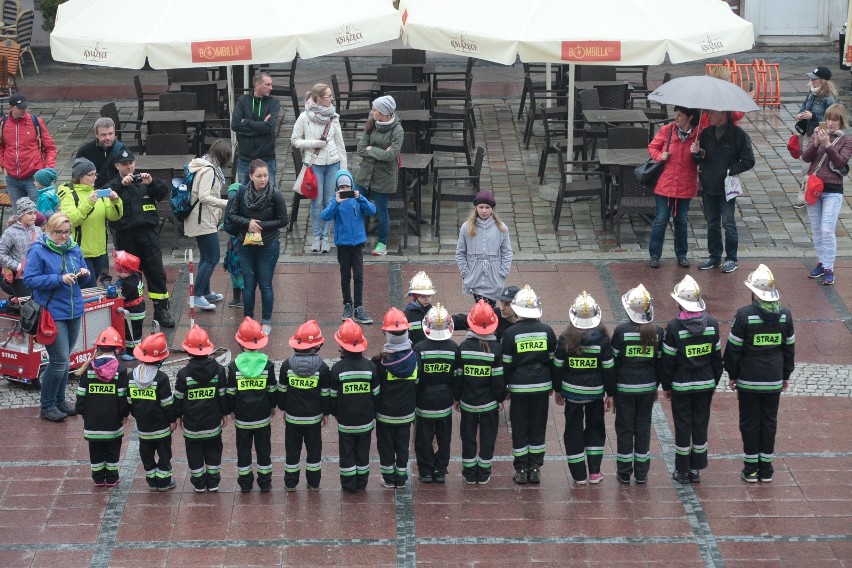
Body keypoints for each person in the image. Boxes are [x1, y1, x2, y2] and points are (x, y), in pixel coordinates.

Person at [724, 264, 795, 483]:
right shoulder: (785, 314)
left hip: (749, 380)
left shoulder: (745, 315)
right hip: (773, 379)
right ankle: (766, 468)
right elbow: (789, 348)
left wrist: (732, 374)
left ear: (754, 292)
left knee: (749, 422)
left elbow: (733, 349)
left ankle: (751, 469)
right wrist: (785, 375)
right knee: (769, 421)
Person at [24, 213, 90, 422]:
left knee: (65, 359)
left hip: (74, 310)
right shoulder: (38, 250)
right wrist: (58, 279)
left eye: (67, 232)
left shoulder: (74, 248)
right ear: (49, 231)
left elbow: (84, 271)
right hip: (52, 312)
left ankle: (60, 401)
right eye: (59, 232)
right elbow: (30, 280)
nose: (64, 236)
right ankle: (47, 405)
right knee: (59, 360)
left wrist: (84, 272)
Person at [660, 275, 723, 484]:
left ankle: (682, 470)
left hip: (681, 385)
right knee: (700, 424)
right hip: (705, 384)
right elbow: (716, 359)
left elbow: (668, 361)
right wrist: (713, 382)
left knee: (682, 426)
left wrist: (667, 386)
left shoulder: (673, 328)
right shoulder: (712, 324)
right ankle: (696, 468)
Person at [553, 292, 615, 485]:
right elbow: (608, 369)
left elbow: (557, 367)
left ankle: (579, 475)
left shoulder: (565, 339)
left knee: (572, 431)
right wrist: (610, 393)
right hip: (595, 394)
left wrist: (557, 389)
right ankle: (595, 472)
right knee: (595, 430)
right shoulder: (603, 340)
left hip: (571, 394)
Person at [108, 148, 175, 327]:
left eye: (131, 163)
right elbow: (106, 200)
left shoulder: (144, 181)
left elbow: (163, 193)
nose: (128, 167)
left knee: (156, 272)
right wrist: (122, 186)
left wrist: (152, 182)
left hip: (148, 235)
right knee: (130, 277)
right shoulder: (113, 185)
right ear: (117, 166)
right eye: (124, 164)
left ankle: (161, 309)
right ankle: (133, 310)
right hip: (126, 236)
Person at [225, 159, 288, 336]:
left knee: (265, 284)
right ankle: (248, 320)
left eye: (266, 175)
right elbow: (231, 215)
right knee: (249, 284)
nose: (263, 179)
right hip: (246, 243)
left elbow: (283, 220)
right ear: (251, 176)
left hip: (268, 244)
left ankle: (266, 321)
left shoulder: (275, 195)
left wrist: (261, 225)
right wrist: (248, 223)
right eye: (259, 176)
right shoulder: (242, 192)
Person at [501, 285, 556, 485]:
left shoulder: (510, 334)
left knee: (519, 427)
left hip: (519, 387)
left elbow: (505, 365)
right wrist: (553, 385)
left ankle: (521, 468)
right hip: (541, 386)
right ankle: (535, 468)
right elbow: (552, 361)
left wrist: (503, 389)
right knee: (537, 426)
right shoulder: (547, 331)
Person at [691, 110, 755, 274]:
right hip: (709, 184)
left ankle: (731, 258)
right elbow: (699, 159)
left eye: (713, 113)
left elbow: (749, 160)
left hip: (727, 186)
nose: (709, 116)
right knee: (712, 223)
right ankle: (714, 256)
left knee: (728, 222)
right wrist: (696, 153)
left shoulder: (738, 134)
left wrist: (730, 170)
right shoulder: (706, 133)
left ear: (723, 115)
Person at [611, 284, 663, 485]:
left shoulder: (621, 331)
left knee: (624, 429)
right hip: (647, 386)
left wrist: (612, 390)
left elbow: (613, 362)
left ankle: (624, 472)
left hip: (624, 387)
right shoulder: (657, 332)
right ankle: (642, 473)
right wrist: (655, 385)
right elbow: (660, 362)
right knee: (643, 428)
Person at [290, 83, 347, 254]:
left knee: (330, 201)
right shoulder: (304, 117)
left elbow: (340, 143)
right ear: (318, 99)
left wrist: (343, 170)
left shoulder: (333, 117)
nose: (332, 99)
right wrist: (314, 143)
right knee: (317, 201)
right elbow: (294, 140)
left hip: (333, 163)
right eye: (329, 96)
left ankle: (326, 237)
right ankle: (316, 237)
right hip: (315, 163)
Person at [801, 103, 852, 286]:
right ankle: (821, 262)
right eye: (828, 119)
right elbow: (806, 157)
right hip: (814, 189)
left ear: (841, 122)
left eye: (835, 120)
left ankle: (829, 268)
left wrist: (828, 145)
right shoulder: (817, 133)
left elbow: (840, 162)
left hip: (832, 191)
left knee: (826, 229)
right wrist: (815, 143)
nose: (830, 123)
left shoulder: (847, 140)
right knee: (816, 229)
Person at [455, 300, 505, 485]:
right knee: (488, 437)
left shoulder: (463, 348)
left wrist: (457, 398)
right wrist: (500, 399)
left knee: (468, 437)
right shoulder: (496, 349)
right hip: (489, 404)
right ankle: (484, 473)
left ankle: (469, 473)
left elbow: (458, 377)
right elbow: (498, 379)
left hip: (468, 402)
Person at [226, 317, 278, 493]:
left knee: (243, 451)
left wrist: (232, 410)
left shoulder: (234, 367)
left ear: (240, 343)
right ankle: (265, 482)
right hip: (263, 418)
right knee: (264, 451)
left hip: (242, 419)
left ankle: (246, 483)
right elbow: (272, 390)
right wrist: (272, 407)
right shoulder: (267, 365)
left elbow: (231, 393)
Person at [174, 325, 228, 492]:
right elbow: (222, 395)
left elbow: (178, 399)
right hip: (212, 424)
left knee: (194, 453)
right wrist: (224, 413)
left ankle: (198, 483)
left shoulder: (183, 374)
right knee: (214, 451)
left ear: (188, 351)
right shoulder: (218, 370)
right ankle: (213, 483)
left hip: (192, 425)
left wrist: (177, 417)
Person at [279, 320, 331, 491]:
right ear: (316, 346)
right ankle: (314, 482)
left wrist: (283, 409)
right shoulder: (322, 368)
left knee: (292, 452)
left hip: (293, 418)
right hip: (314, 419)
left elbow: (282, 392)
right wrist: (325, 413)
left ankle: (290, 482)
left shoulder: (287, 366)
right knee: (314, 452)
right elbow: (325, 394)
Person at [329, 319, 378, 494]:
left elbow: (332, 397)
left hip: (345, 421)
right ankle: (362, 482)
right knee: (363, 451)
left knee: (347, 452)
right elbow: (376, 394)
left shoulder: (337, 369)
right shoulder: (371, 367)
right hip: (365, 420)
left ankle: (349, 485)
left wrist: (336, 413)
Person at [57, 157, 123, 288]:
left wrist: (116, 201)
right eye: (91, 175)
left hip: (99, 250)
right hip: (80, 251)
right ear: (80, 176)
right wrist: (88, 203)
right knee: (89, 286)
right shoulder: (70, 195)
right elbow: (71, 220)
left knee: (90, 284)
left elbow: (113, 216)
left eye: (95, 174)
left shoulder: (96, 192)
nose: (95, 178)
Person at [647, 107, 700, 269]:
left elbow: (704, 158)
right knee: (661, 220)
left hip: (685, 185)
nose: (676, 117)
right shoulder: (667, 130)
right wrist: (659, 156)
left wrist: (698, 152)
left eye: (680, 115)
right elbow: (652, 147)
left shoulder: (698, 134)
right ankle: (655, 255)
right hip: (665, 184)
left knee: (681, 221)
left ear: (690, 117)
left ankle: (681, 254)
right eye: (675, 114)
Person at [75, 327, 128, 488]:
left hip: (93, 421)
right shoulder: (120, 370)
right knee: (113, 450)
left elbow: (81, 393)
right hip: (113, 421)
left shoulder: (89, 369)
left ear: (98, 348)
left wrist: (81, 411)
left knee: (95, 450)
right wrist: (124, 413)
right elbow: (122, 396)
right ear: (117, 349)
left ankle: (98, 478)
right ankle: (112, 478)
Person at [183, 139, 233, 310]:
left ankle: (205, 292)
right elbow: (204, 197)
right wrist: (226, 203)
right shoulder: (209, 170)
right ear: (223, 156)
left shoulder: (203, 165)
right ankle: (196, 295)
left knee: (206, 256)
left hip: (202, 218)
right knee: (212, 257)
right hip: (202, 220)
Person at [321, 169, 375, 324]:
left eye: (347, 186)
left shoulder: (358, 198)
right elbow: (325, 216)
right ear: (338, 188)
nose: (345, 190)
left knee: (359, 276)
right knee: (345, 276)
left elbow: (373, 210)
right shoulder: (335, 200)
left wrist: (361, 199)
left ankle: (359, 307)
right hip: (343, 245)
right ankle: (347, 304)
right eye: (341, 187)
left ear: (351, 185)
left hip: (358, 244)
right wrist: (336, 203)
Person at [413, 304, 459, 484]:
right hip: (445, 401)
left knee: (423, 439)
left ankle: (425, 471)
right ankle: (440, 470)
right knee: (444, 437)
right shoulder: (454, 348)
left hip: (424, 401)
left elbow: (416, 378)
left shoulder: (419, 349)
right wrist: (456, 396)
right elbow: (457, 376)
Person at [373, 307, 418, 488]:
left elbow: (375, 390)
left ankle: (388, 478)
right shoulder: (415, 358)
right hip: (406, 413)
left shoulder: (379, 362)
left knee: (385, 446)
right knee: (402, 444)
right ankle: (401, 477)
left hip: (385, 413)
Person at [355, 95, 404, 256]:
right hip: (365, 174)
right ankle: (360, 239)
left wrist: (372, 149)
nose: (372, 111)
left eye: (374, 109)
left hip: (384, 177)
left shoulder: (398, 130)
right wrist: (381, 152)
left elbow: (391, 156)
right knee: (358, 205)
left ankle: (382, 244)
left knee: (381, 211)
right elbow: (361, 149)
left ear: (383, 112)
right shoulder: (371, 124)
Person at [127, 332, 177, 492]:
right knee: (164, 455)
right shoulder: (161, 378)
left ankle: (152, 480)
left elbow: (129, 402)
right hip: (161, 428)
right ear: (161, 359)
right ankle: (164, 482)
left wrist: (138, 415)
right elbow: (167, 403)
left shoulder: (130, 377)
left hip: (143, 428)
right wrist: (172, 419)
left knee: (146, 455)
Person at [0, 94, 58, 214]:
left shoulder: (35, 122)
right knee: (19, 216)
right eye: (20, 107)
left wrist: (48, 169)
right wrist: (3, 163)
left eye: (25, 107)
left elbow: (50, 147)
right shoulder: (3, 123)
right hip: (12, 179)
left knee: (38, 215)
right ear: (11, 107)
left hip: (34, 178)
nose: (24, 110)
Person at [455, 190, 513, 306]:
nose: (484, 211)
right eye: (481, 207)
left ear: (492, 208)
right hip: (475, 277)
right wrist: (466, 273)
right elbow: (460, 253)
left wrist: (502, 272)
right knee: (484, 308)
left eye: (487, 207)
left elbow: (507, 252)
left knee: (488, 310)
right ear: (476, 207)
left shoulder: (501, 228)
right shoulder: (466, 227)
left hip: (494, 277)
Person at [795, 66, 838, 207]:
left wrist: (813, 116)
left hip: (822, 135)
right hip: (809, 134)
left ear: (822, 81)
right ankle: (805, 195)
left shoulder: (829, 98)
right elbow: (804, 105)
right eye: (812, 78)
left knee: (816, 167)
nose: (812, 80)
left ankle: (812, 194)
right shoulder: (811, 92)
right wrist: (801, 114)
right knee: (805, 165)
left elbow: (832, 118)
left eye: (815, 78)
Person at [232, 72, 280, 187]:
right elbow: (235, 125)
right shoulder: (243, 101)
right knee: (244, 195)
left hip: (266, 157)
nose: (271, 88)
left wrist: (247, 122)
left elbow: (269, 127)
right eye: (267, 85)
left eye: (271, 84)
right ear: (257, 85)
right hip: (245, 158)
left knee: (270, 195)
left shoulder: (274, 102)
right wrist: (261, 126)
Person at [0, 197, 42, 297]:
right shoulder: (10, 232)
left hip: (37, 275)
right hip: (19, 278)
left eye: (35, 213)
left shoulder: (38, 231)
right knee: (28, 305)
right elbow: (1, 254)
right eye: (29, 213)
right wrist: (18, 266)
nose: (33, 216)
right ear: (21, 215)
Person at [75, 116, 126, 187]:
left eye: (110, 133)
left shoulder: (123, 149)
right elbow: (76, 177)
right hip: (93, 192)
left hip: (117, 190)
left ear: (114, 133)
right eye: (104, 134)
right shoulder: (85, 151)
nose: (108, 138)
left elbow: (130, 171)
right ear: (97, 135)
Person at [112, 250, 145, 360]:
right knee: (135, 330)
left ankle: (132, 353)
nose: (118, 274)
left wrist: (113, 295)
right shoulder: (135, 275)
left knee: (132, 332)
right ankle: (133, 349)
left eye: (120, 271)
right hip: (138, 307)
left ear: (128, 270)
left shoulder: (128, 284)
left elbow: (121, 297)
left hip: (133, 311)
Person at [222, 183, 244, 308]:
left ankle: (244, 299)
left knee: (242, 281)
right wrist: (226, 263)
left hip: (240, 262)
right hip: (232, 262)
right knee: (235, 281)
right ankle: (236, 297)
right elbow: (228, 251)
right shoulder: (231, 239)